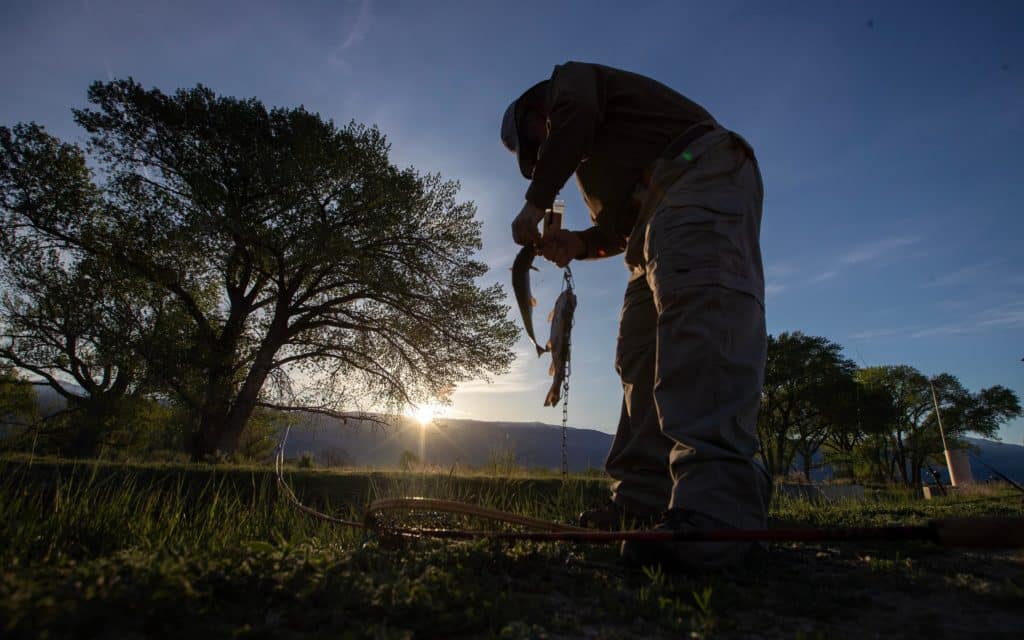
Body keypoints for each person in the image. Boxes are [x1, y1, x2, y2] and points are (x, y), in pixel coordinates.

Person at [500, 62, 770, 570]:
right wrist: (579, 243)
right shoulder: (596, 163)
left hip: (698, 171)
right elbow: (618, 233)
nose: (540, 162)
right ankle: (643, 500)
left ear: (539, 109)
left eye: (536, 147)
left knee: (698, 317)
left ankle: (718, 509)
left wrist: (534, 205)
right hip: (650, 221)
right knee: (639, 354)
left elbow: (577, 113)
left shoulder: (571, 84)